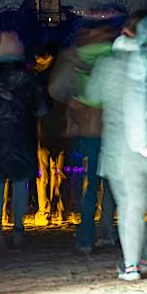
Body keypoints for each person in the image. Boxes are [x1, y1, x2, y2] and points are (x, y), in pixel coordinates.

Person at [85, 11, 147, 281]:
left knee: (130, 205)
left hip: (120, 147)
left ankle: (132, 264)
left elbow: (92, 95)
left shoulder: (108, 63)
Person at [0, 31, 48, 246]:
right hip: (23, 137)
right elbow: (42, 109)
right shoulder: (30, 77)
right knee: (20, 182)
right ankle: (18, 231)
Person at [50, 20, 120, 254]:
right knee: (111, 183)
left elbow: (56, 90)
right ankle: (107, 231)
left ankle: (86, 237)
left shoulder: (75, 57)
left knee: (88, 186)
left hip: (87, 130)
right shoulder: (116, 55)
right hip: (113, 129)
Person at [32, 45, 68, 227]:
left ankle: (44, 210)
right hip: (61, 129)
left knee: (44, 173)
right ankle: (58, 209)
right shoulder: (64, 75)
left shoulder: (37, 78)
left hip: (44, 130)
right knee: (58, 172)